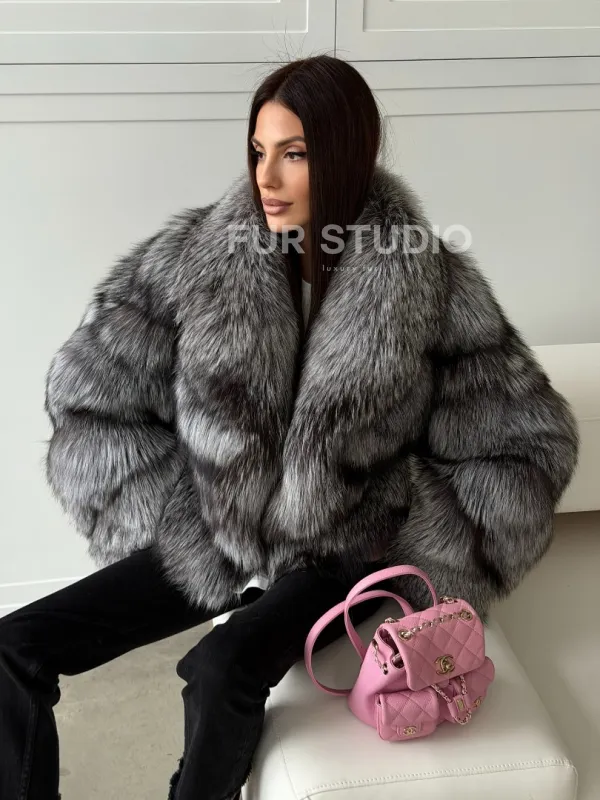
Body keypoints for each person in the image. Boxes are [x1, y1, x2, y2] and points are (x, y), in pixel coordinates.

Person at [0, 54, 579, 800]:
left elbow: (528, 444)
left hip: (342, 550)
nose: (265, 178)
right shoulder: (195, 260)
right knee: (13, 649)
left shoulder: (431, 283)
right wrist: (185, 505)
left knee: (221, 667)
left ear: (345, 154)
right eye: (258, 151)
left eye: (294, 154)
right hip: (219, 532)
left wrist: (412, 543)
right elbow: (93, 390)